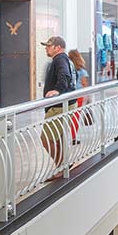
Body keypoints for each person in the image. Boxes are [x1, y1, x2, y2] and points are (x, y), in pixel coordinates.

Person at [40, 36, 76, 170]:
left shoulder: (60, 59)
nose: (46, 48)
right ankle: (63, 164)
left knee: (46, 139)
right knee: (58, 138)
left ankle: (61, 166)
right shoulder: (65, 59)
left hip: (59, 106)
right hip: (65, 104)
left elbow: (65, 75)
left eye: (49, 46)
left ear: (58, 47)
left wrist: (57, 90)